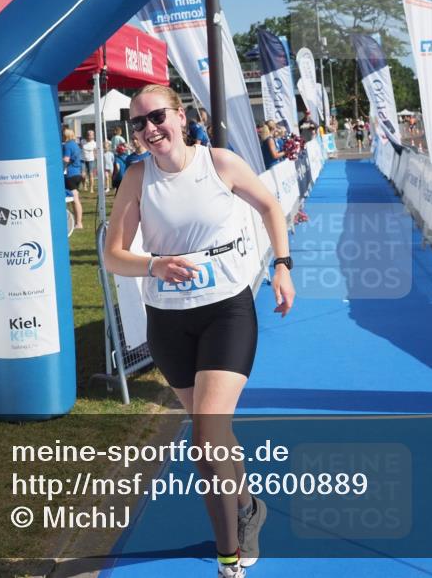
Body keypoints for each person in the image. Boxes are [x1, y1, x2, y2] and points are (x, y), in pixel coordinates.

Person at [104, 85, 295, 578]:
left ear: (180, 115)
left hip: (225, 314)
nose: (149, 129)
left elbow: (271, 208)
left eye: (156, 117)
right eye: (138, 124)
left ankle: (229, 558)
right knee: (217, 433)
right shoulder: (137, 177)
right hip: (168, 324)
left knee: (206, 440)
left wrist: (282, 265)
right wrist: (154, 265)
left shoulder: (220, 164)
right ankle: (249, 503)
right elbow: (112, 255)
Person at [62, 128, 84, 230]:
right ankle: (78, 222)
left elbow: (66, 159)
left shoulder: (67, 145)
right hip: (77, 173)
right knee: (75, 198)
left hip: (70, 174)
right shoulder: (75, 145)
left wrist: (60, 167)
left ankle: (78, 223)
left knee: (74, 199)